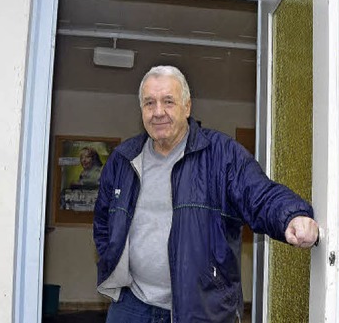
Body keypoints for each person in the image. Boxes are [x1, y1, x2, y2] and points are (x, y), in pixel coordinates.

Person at [93, 66, 319, 323]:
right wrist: (111, 256)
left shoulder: (222, 155)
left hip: (202, 307)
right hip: (132, 305)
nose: (158, 112)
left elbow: (260, 194)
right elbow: (103, 221)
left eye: (168, 102)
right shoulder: (123, 159)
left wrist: (292, 216)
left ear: (187, 107)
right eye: (149, 103)